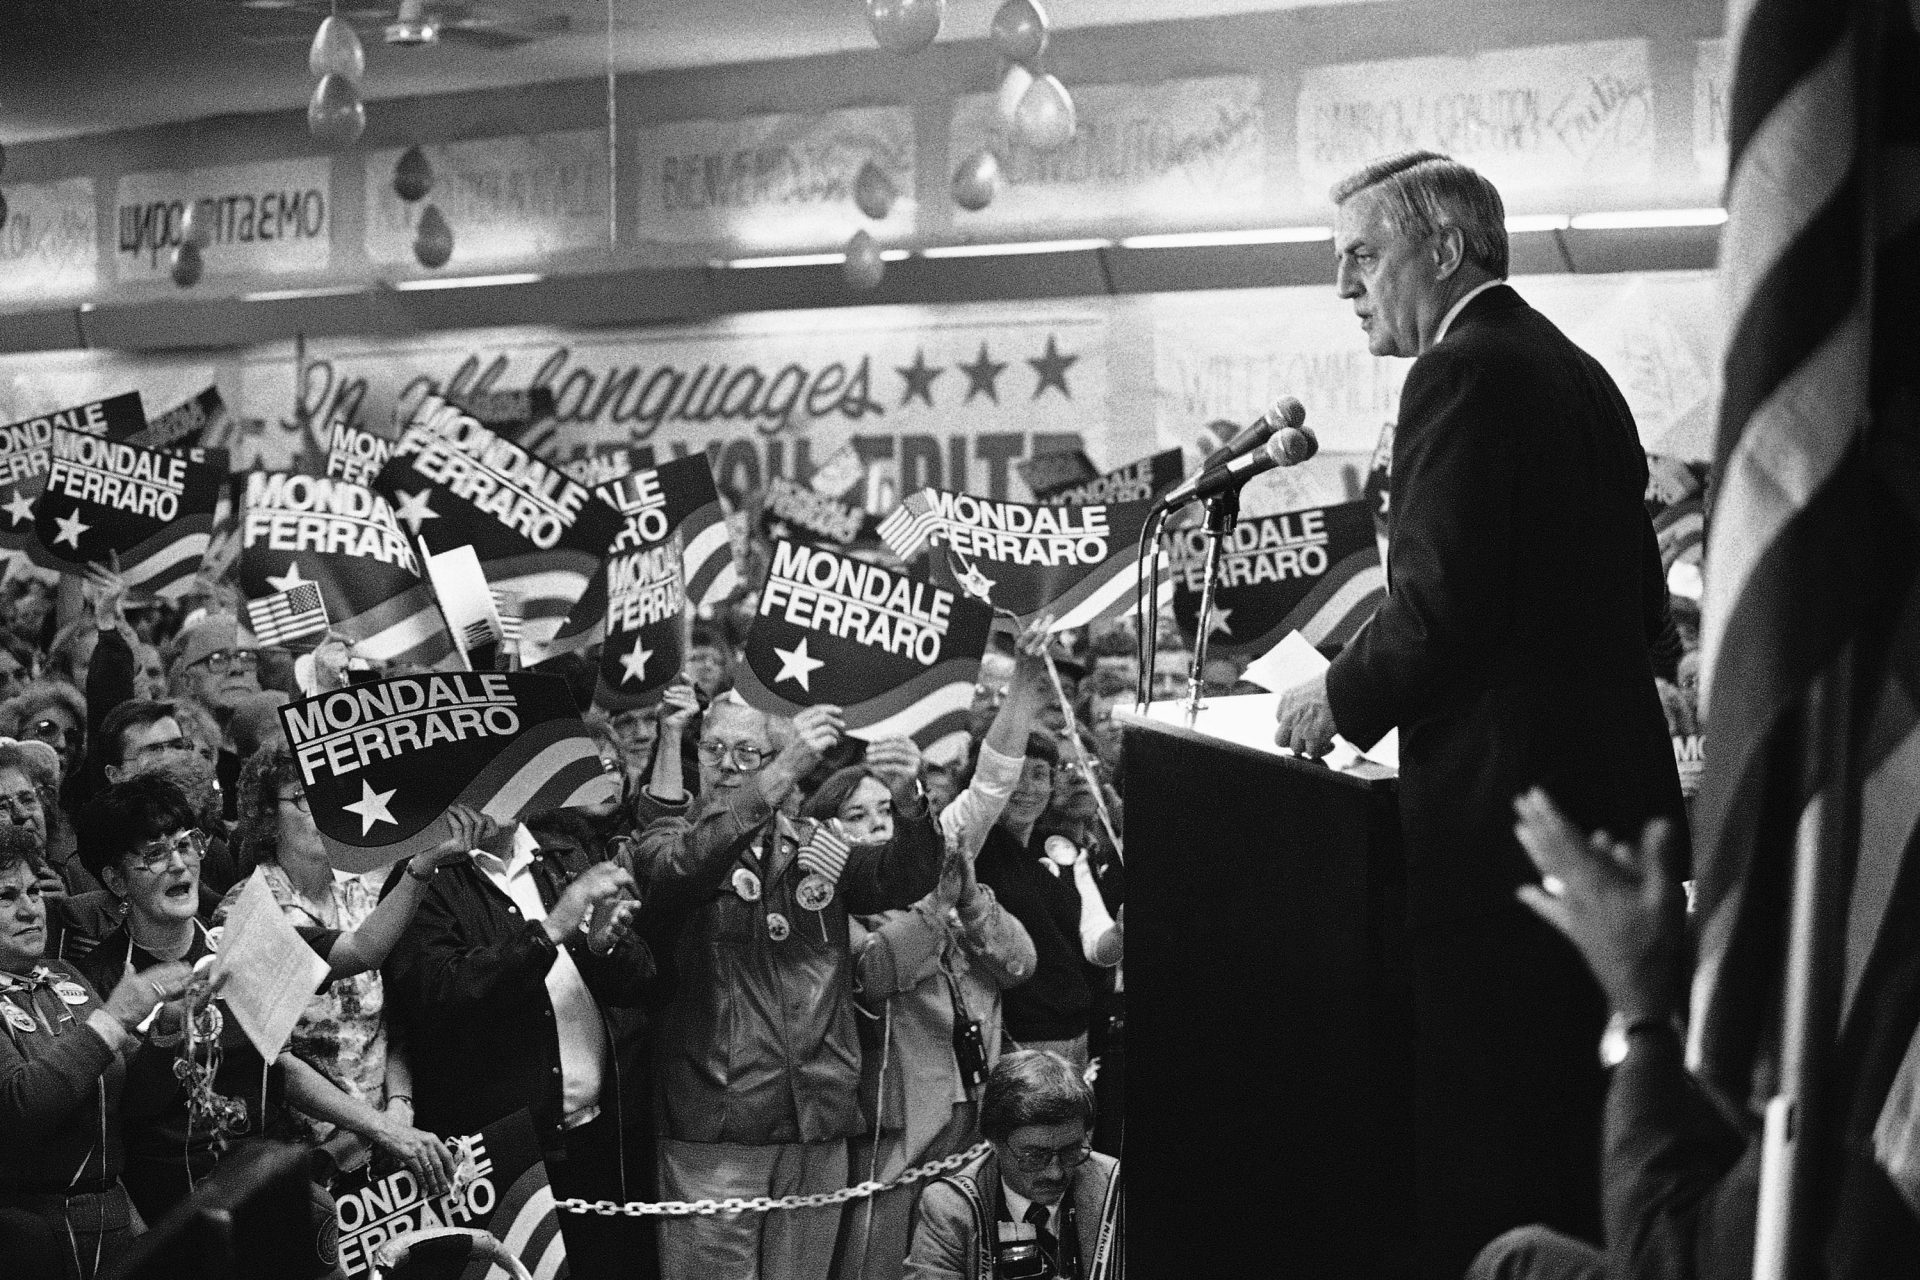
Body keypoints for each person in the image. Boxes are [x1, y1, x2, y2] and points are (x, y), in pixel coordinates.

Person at [1272, 150, 1686, 1277]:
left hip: (1498, 843)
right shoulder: (1578, 370)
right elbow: (1651, 611)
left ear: (1443, 249)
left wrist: (1333, 695)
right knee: (1581, 1144)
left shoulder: (1459, 373)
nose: (1345, 287)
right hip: (1596, 833)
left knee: (1494, 1157)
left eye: (1362, 256)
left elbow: (1438, 605)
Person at [632, 699, 942, 1280]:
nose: (728, 764)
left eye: (749, 752)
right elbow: (675, 869)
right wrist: (777, 776)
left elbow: (897, 880)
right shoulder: (665, 836)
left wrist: (909, 801)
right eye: (714, 748)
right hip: (719, 1122)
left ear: (779, 758)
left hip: (818, 1113)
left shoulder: (813, 842)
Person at [819, 617, 1052, 1280]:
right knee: (881, 1262)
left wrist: (1027, 688)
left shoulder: (928, 855)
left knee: (973, 1256)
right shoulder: (820, 878)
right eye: (856, 817)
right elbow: (875, 971)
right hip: (893, 1115)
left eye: (884, 814)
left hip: (978, 1098)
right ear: (826, 828)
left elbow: (991, 786)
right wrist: (936, 906)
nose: (875, 827)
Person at [380, 811, 658, 1280]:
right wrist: (551, 929)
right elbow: (443, 997)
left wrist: (602, 947)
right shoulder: (426, 874)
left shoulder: (564, 853)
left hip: (599, 1135)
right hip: (510, 1155)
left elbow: (644, 984)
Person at [0, 825, 195, 1280]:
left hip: (111, 1219)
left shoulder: (61, 973)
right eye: (5, 898)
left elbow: (138, 1101)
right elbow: (20, 1105)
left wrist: (168, 1030)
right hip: (29, 1239)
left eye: (33, 891)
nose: (31, 910)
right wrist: (114, 1018)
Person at [904, 1050, 1121, 1280]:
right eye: (1034, 1155)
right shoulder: (951, 1209)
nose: (1056, 1173)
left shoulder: (1116, 1189)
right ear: (994, 1142)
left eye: (1070, 1151)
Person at [973, 733, 1094, 1072]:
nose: (1026, 788)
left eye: (1039, 774)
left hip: (1077, 1031)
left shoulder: (1056, 848)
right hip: (1017, 1036)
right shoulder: (979, 849)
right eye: (1014, 775)